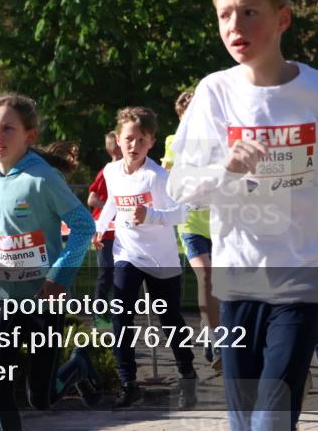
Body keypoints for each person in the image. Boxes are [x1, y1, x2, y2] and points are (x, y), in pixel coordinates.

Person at [167, 0, 318, 431]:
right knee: (244, 422)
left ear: (282, 18)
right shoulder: (213, 93)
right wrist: (225, 166)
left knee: (270, 419)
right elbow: (181, 187)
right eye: (224, 14)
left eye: (249, 12)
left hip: (302, 273)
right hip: (239, 273)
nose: (234, 25)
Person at [0, 93, 101, 430]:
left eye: (8, 128)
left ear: (29, 136)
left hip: (44, 302)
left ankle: (79, 366)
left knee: (41, 397)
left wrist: (58, 279)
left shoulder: (43, 179)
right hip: (4, 299)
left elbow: (84, 226)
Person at [93, 106, 197, 409]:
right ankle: (128, 383)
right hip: (127, 254)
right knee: (121, 316)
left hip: (161, 260)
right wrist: (100, 227)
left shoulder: (157, 177)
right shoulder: (111, 171)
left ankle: (186, 375)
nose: (134, 146)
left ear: (151, 142)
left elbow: (181, 212)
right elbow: (112, 201)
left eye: (141, 140)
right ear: (118, 140)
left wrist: (150, 214)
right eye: (129, 139)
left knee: (170, 321)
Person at [163, 90, 222, 370]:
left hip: (221, 223)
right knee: (206, 278)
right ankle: (214, 336)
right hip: (191, 224)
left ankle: (211, 323)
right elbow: (167, 177)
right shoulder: (173, 142)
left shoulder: (220, 140)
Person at [87, 131, 121, 326]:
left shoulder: (130, 170)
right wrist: (112, 208)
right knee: (106, 272)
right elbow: (91, 199)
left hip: (123, 231)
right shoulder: (107, 171)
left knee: (122, 274)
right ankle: (99, 315)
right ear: (114, 148)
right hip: (106, 232)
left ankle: (118, 317)